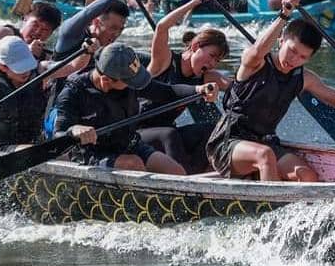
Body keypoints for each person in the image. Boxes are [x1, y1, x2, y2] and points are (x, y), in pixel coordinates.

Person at [205, 0, 335, 181]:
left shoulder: (305, 78)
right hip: (227, 143)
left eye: (302, 57)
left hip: (265, 143)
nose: (294, 60)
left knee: (307, 176)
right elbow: (257, 50)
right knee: (265, 156)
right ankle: (272, 207)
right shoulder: (255, 62)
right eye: (292, 50)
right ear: (281, 40)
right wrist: (284, 14)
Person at [53, 42, 217, 173]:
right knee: (133, 164)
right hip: (90, 153)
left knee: (176, 171)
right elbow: (59, 134)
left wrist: (198, 90)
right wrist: (74, 129)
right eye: (129, 83)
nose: (134, 86)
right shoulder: (73, 91)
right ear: (106, 80)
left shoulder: (129, 79)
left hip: (128, 143)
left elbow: (167, 91)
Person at [139, 0, 230, 173]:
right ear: (196, 46)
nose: (212, 63)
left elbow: (240, 86)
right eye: (211, 56)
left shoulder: (206, 77)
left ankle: (200, 173)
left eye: (217, 60)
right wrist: (196, 1)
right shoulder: (164, 61)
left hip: (165, 135)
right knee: (169, 134)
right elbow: (162, 27)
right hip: (135, 134)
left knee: (211, 129)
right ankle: (184, 180)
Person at [0, 35, 94, 150]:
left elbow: (75, 65)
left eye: (27, 66)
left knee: (68, 156)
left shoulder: (41, 71)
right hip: (4, 148)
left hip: (37, 144)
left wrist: (87, 51)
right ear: (3, 66)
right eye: (20, 68)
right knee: (33, 151)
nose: (26, 72)